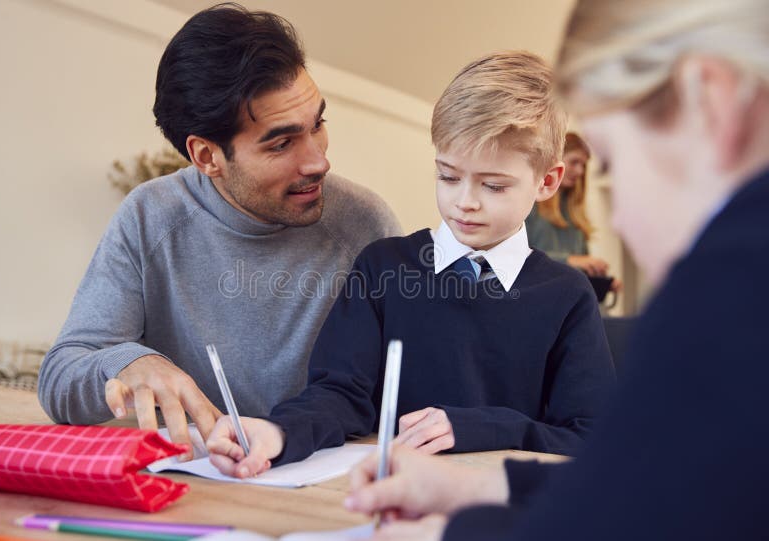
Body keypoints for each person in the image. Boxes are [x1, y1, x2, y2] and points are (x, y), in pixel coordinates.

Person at [344, 0, 769, 539]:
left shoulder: (733, 297)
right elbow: (642, 480)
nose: (620, 218)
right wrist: (479, 489)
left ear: (711, 101)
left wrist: (451, 534)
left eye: (614, 162)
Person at [206, 51, 616, 478]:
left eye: (493, 185)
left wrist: (479, 427)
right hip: (389, 498)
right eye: (448, 176)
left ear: (546, 182)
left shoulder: (566, 296)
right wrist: (279, 432)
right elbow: (340, 395)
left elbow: (591, 435)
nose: (465, 202)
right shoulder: (383, 267)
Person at [37, 3, 400, 458]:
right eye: (282, 142)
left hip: (326, 483)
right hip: (200, 484)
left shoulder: (364, 226)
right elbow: (59, 375)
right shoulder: (150, 217)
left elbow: (407, 392)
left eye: (318, 124)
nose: (318, 161)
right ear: (207, 157)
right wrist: (129, 361)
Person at [526, 132, 611, 278]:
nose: (580, 171)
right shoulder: (530, 203)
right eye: (574, 162)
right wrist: (569, 260)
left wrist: (601, 279)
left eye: (583, 165)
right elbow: (521, 258)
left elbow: (583, 264)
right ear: (555, 162)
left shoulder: (575, 212)